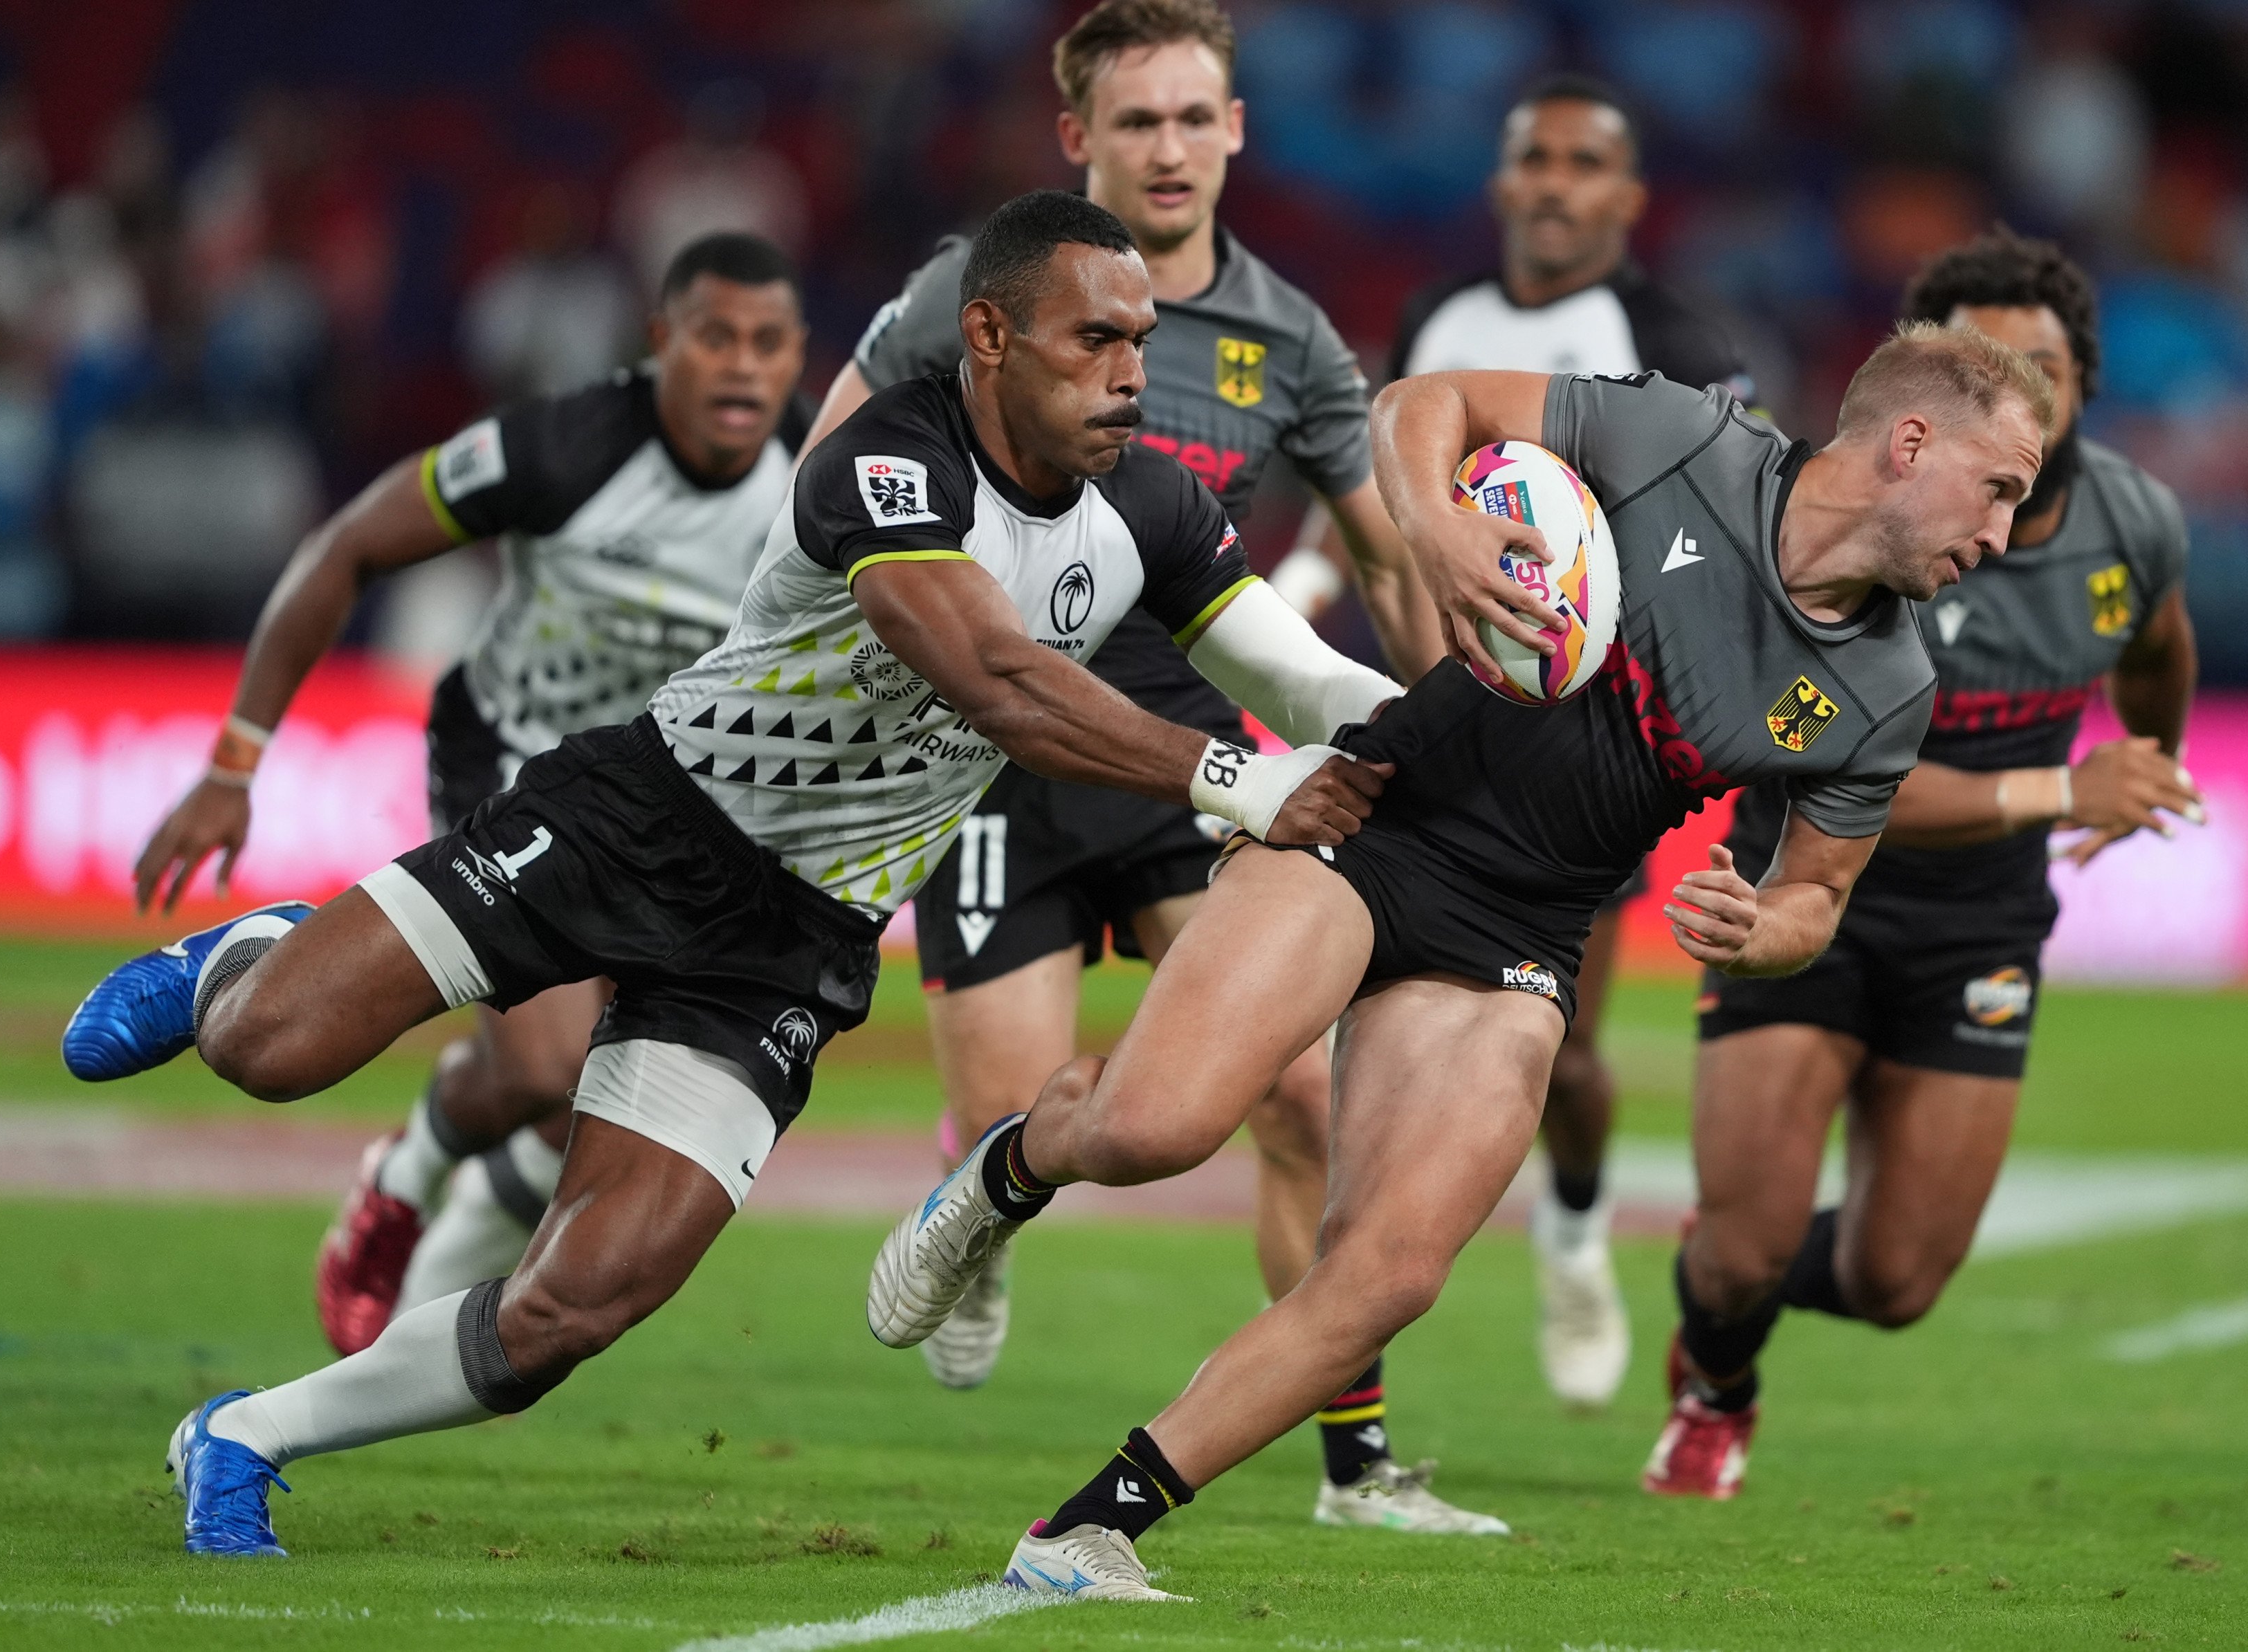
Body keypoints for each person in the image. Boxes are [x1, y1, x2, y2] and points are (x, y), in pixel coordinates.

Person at [62, 191, 1398, 1559]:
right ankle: (238, 959)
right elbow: (993, 676)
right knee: (269, 1047)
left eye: (1144, 338)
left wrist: (1435, 725)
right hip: (642, 820)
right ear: (988, 335)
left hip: (790, 941)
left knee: (572, 1309)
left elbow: (1297, 673)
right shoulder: (886, 460)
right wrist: (1238, 778)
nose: (1132, 371)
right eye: (1095, 338)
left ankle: (241, 1437)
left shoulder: (1157, 509)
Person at [865, 324, 2054, 1600]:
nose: (2001, 535)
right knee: (1153, 1130)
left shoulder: (1885, 687)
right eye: (1999, 491)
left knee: (1391, 1274)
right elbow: (1428, 400)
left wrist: (1763, 932)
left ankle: (1089, 1531)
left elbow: (1815, 892)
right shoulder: (1685, 444)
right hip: (1376, 821)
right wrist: (1433, 522)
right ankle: (1007, 1167)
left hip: (1527, 938)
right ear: (1911, 443)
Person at [806, 0, 1498, 1538]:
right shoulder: (968, 293)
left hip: (1200, 768)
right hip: (994, 769)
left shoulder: (1291, 341)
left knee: (1304, 1105)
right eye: (1138, 124)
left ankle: (1354, 1464)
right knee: (1028, 1116)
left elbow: (1386, 562)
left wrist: (1441, 723)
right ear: (1080, 140)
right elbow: (830, 467)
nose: (1169, 149)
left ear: (1236, 129)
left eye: (1195, 119)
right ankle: (978, 1210)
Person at [95, 232, 812, 1357]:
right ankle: (405, 1182)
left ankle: (434, 1192)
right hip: (521, 761)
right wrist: (235, 763)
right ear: (662, 340)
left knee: (604, 1087)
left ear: (797, 359)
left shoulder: (820, 485)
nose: (741, 367)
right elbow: (346, 547)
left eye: (768, 344)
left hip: (686, 800)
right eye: (715, 336)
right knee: (542, 1067)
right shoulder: (561, 446)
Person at [1645, 230, 2204, 1500]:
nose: (2018, 386)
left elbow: (2157, 646)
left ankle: (1739, 1248)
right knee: (1741, 1264)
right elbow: (1861, 784)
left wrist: (2155, 754)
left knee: (1899, 1283)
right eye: (1987, 360)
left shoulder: (2134, 523)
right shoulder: (1862, 527)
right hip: (1799, 883)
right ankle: (1718, 1384)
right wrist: (2070, 785)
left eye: (2042, 365)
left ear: (2082, 385)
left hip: (1982, 924)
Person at [1380, 71, 1754, 1409]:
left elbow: (1731, 538)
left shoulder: (1674, 336)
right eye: (1533, 157)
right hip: (1438, 702)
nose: (1552, 181)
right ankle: (1356, 1382)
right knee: (1368, 1034)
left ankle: (1579, 1233)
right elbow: (1398, 486)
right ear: (1501, 181)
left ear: (1628, 196)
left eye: (1583, 162)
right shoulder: (1441, 319)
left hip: (1591, 749)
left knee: (1565, 1055)